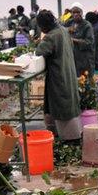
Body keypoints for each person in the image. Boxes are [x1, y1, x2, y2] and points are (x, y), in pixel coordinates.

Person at [35, 10, 82, 142]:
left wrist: (41, 40)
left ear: (44, 26)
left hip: (58, 75)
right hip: (68, 71)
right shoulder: (63, 30)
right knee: (66, 101)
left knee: (62, 104)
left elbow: (39, 51)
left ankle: (69, 138)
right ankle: (58, 133)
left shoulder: (52, 36)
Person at [67, 6, 95, 77]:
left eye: (78, 12)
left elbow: (89, 42)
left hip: (85, 58)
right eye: (74, 12)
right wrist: (67, 30)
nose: (76, 14)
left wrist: (74, 40)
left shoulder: (87, 25)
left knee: (86, 80)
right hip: (74, 57)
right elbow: (61, 28)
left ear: (82, 13)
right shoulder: (70, 23)